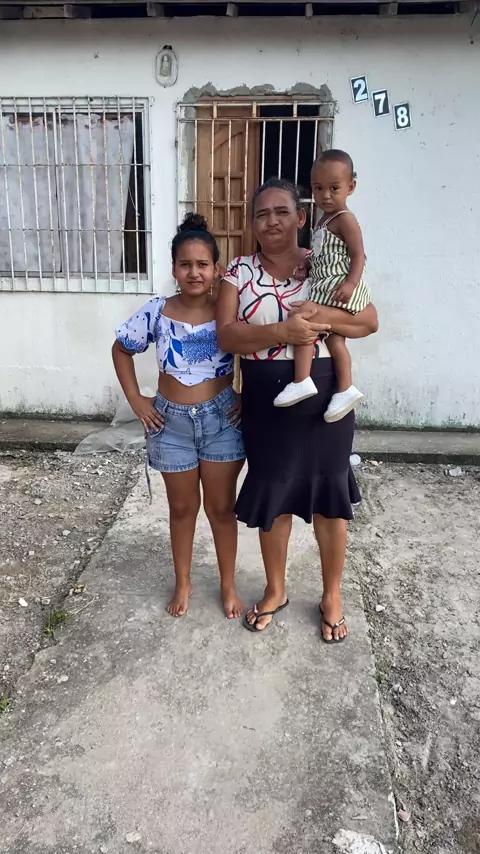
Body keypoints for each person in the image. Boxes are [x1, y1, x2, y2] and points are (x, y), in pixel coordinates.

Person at [216, 178, 378, 641]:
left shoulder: (324, 262)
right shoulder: (238, 272)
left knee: (331, 498)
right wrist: (282, 333)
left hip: (326, 396)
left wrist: (318, 318)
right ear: (252, 223)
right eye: (262, 214)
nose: (271, 221)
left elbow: (369, 320)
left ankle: (332, 596)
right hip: (267, 400)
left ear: (302, 217)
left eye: (282, 211)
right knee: (274, 494)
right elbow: (227, 335)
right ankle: (276, 589)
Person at [112, 214, 245, 620]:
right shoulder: (157, 310)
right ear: (173, 269)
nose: (194, 272)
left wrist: (248, 395)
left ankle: (227, 583)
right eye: (185, 264)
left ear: (217, 269)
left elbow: (257, 350)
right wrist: (136, 399)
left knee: (221, 509)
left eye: (203, 264)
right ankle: (183, 581)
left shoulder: (229, 311)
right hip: (170, 425)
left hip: (222, 420)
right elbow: (121, 348)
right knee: (183, 508)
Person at [273, 150, 371, 423]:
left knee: (303, 319)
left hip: (338, 287)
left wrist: (351, 283)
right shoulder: (324, 220)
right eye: (318, 188)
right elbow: (323, 254)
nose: (325, 195)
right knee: (335, 339)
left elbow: (358, 255)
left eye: (334, 188)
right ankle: (346, 388)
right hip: (326, 284)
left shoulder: (345, 218)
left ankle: (302, 379)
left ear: (351, 187)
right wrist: (307, 265)